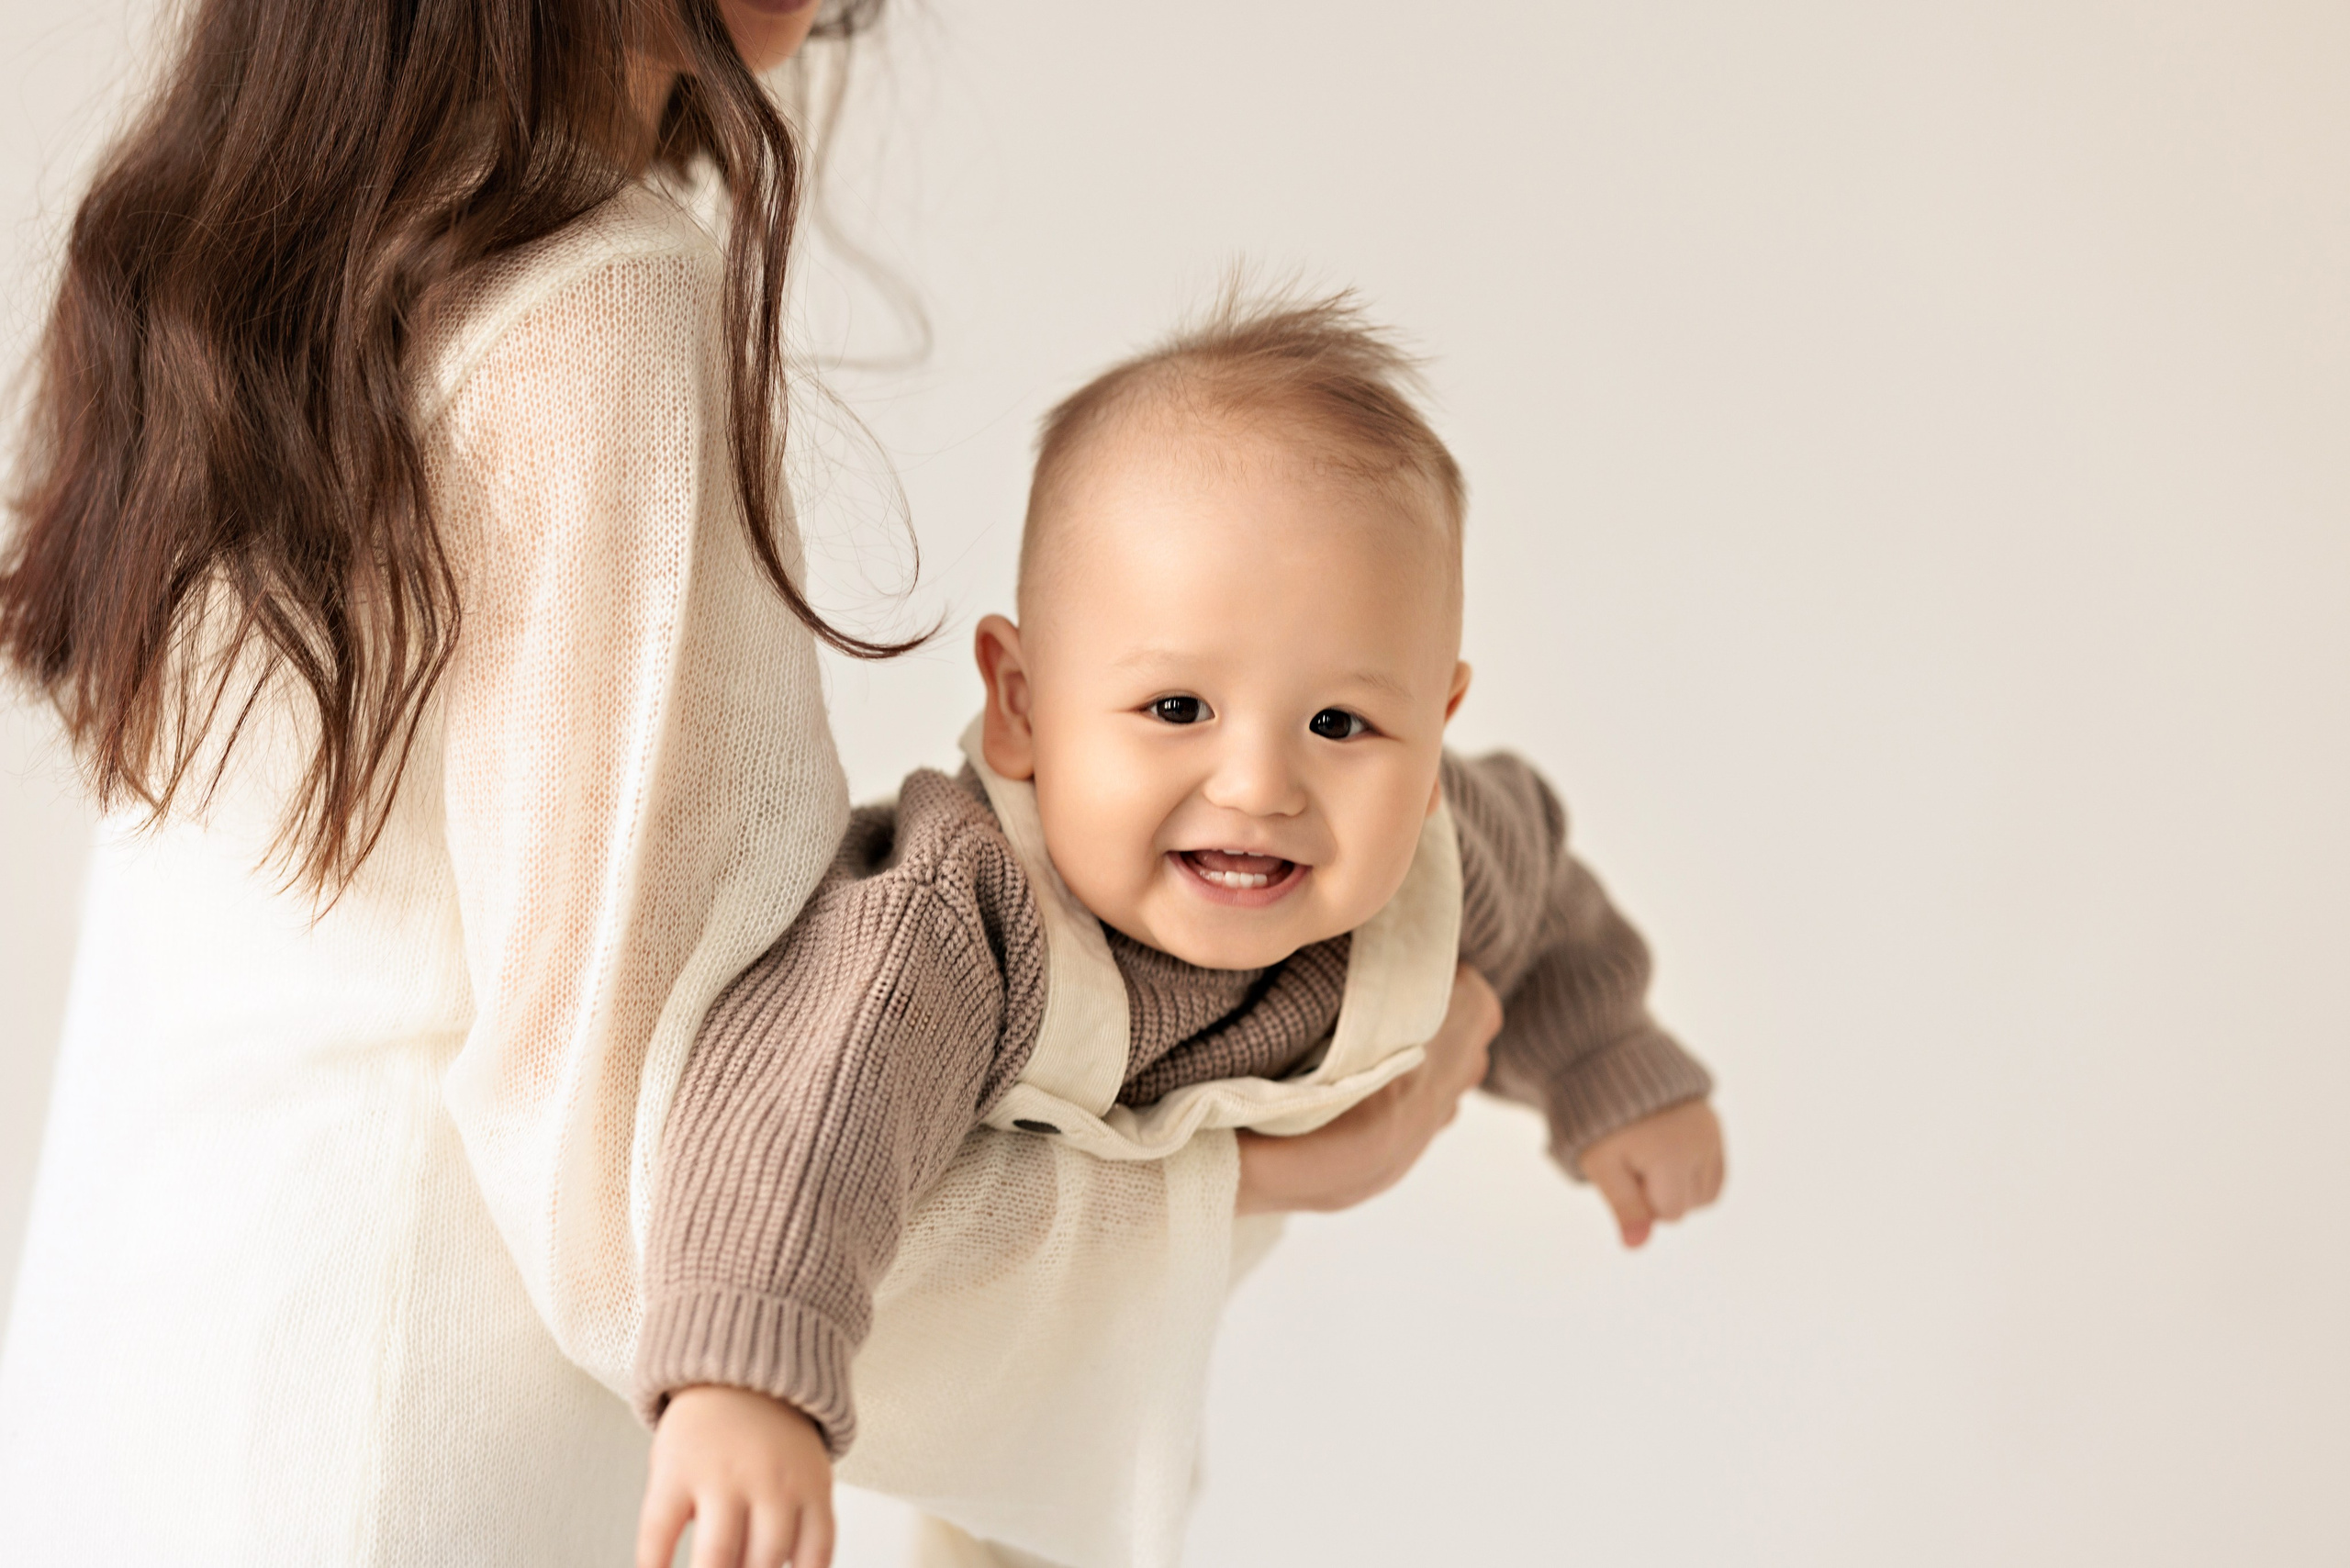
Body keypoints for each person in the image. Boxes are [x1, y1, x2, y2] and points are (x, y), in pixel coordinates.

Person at [0, 4, 1498, 1561]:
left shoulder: (266, 244)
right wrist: (1246, 1181)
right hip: (404, 1462)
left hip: (127, 1401)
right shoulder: (593, 309)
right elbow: (671, 1175)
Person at [632, 291, 1728, 1568]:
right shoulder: (959, 921)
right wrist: (745, 1378)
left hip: (1116, 1364)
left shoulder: (1445, 859)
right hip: (916, 1331)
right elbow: (805, 1117)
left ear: (1434, 737)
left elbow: (1550, 915)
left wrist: (1608, 1067)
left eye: (1340, 725)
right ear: (1023, 707)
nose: (1260, 785)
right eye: (1176, 706)